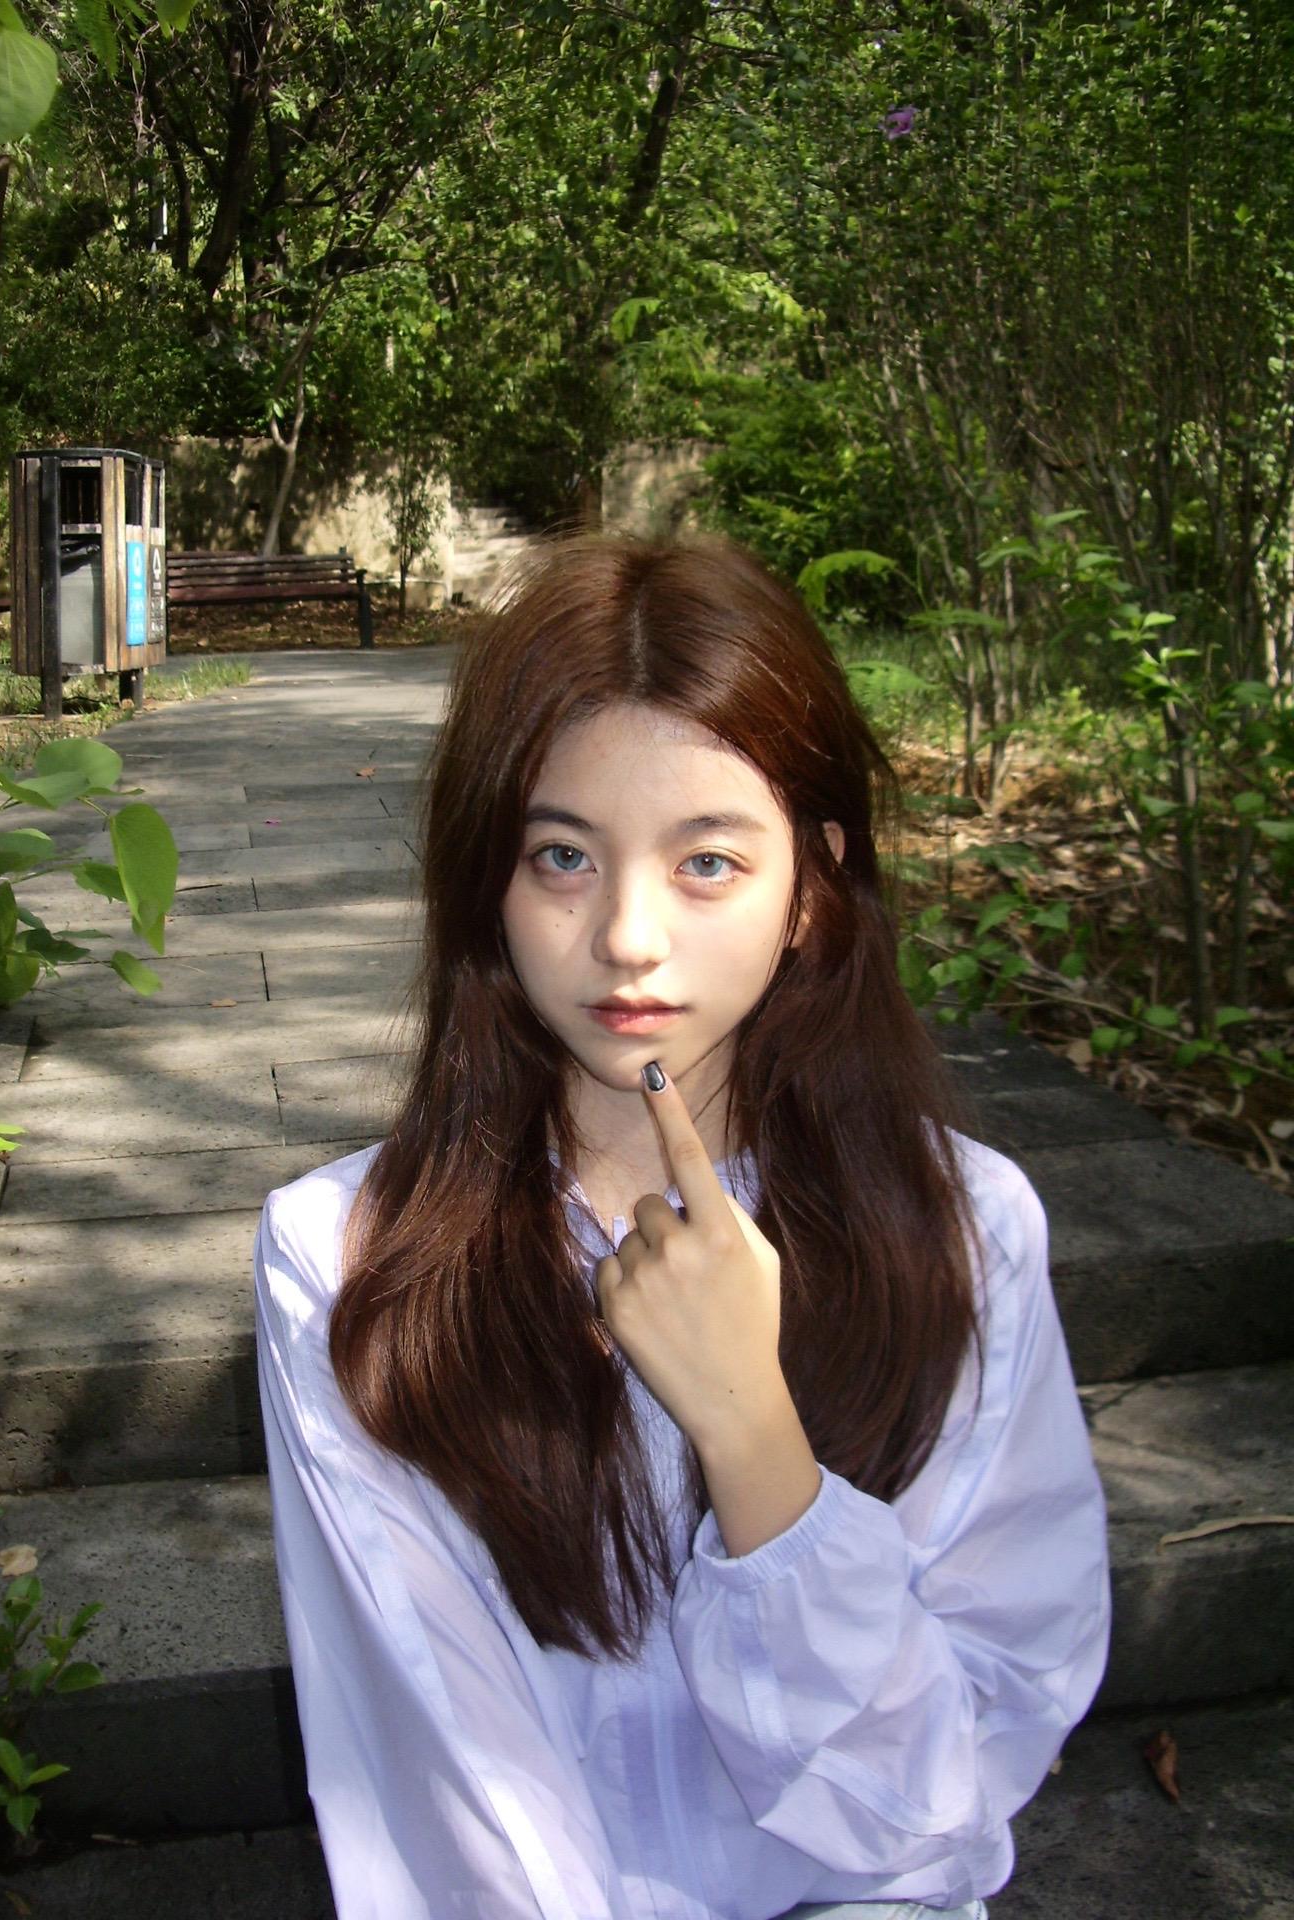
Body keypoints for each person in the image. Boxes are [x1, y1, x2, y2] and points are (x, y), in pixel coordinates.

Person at [253, 534, 1111, 1920]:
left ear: (811, 884)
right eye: (562, 857)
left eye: (707, 862)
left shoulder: (965, 1232)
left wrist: (751, 1431)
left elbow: (940, 1786)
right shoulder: (346, 1259)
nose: (628, 937)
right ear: (488, 880)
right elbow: (451, 1802)